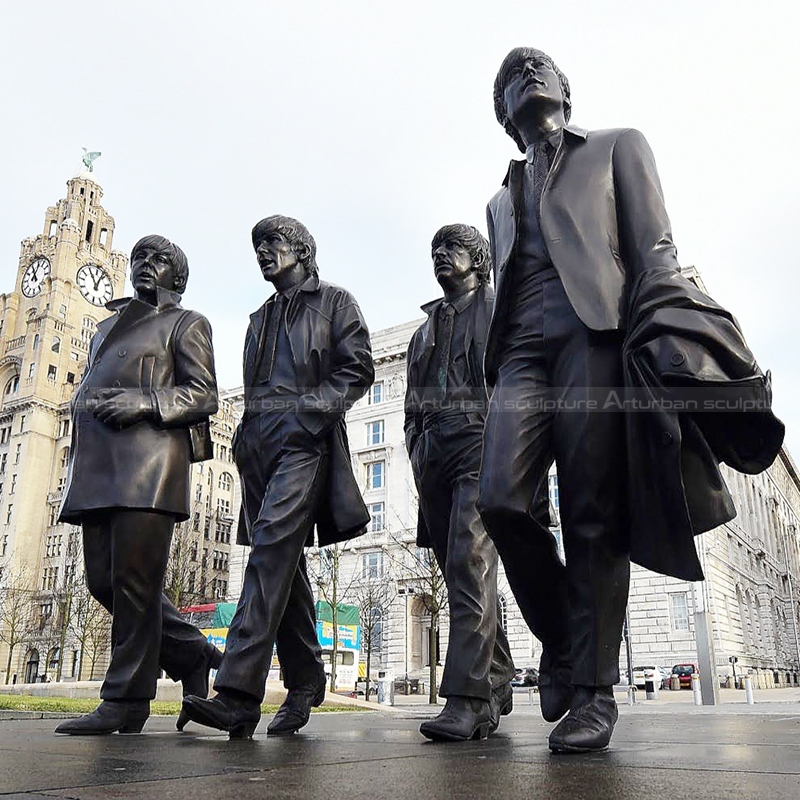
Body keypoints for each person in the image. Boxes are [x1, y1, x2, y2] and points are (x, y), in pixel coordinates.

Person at [477, 47, 680, 753]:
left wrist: (665, 340)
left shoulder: (618, 146)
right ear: (504, 113)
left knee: (593, 510)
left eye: (540, 68)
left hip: (596, 338)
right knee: (500, 498)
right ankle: (566, 642)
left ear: (566, 89)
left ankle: (593, 691)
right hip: (521, 356)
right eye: (510, 77)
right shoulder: (498, 202)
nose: (527, 75)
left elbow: (654, 248)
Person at [182, 215, 374, 738]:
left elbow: (357, 369)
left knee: (270, 548)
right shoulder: (257, 318)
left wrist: (309, 415)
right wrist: (246, 438)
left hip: (303, 441)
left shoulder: (335, 302)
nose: (264, 252)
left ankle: (239, 694)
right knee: (282, 563)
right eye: (257, 245)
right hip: (257, 445)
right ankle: (307, 677)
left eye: (274, 243)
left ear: (302, 249)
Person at [56, 235, 221, 735]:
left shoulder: (186, 322)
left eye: (160, 260)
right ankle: (192, 653)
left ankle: (126, 699)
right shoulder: (108, 325)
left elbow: (203, 393)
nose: (146, 266)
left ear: (179, 276)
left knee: (133, 583)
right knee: (103, 582)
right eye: (139, 259)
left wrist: (143, 402)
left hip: (148, 467)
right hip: (99, 467)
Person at [404, 224, 515, 741]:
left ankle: (467, 699)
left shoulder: (499, 307)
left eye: (451, 249)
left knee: (467, 560)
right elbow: (411, 407)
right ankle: (496, 676)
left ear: (479, 259)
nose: (440, 257)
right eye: (434, 250)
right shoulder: (422, 333)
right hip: (436, 454)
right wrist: (418, 449)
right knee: (461, 575)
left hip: (483, 440)